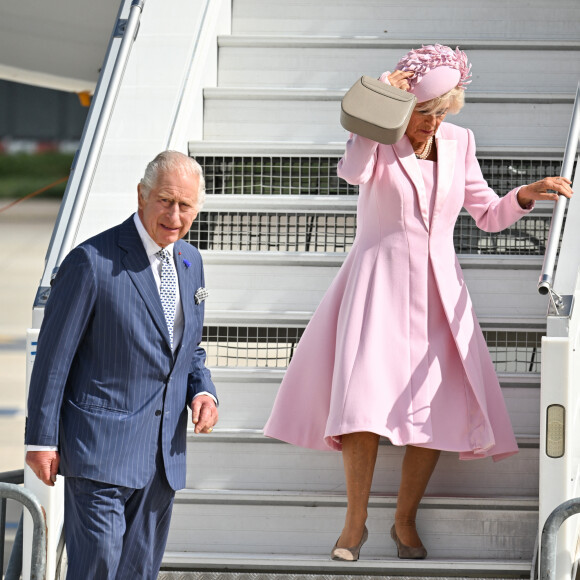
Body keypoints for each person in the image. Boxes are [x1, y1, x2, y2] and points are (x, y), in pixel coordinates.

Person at [264, 45, 573, 561]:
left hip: (438, 291)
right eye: (424, 114)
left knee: (434, 408)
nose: (432, 124)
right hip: (376, 283)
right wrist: (381, 108)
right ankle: (355, 522)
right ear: (404, 108)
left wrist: (525, 194)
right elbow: (352, 172)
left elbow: (487, 214)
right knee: (361, 404)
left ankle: (404, 519)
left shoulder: (460, 141)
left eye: (440, 114)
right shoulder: (378, 138)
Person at [25, 150, 218, 579]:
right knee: (98, 568)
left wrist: (202, 390)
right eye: (165, 200)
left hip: (162, 457)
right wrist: (41, 439)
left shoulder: (191, 262)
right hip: (98, 452)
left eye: (185, 205)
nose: (174, 214)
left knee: (138, 573)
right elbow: (53, 359)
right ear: (141, 196)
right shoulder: (91, 261)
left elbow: (188, 349)